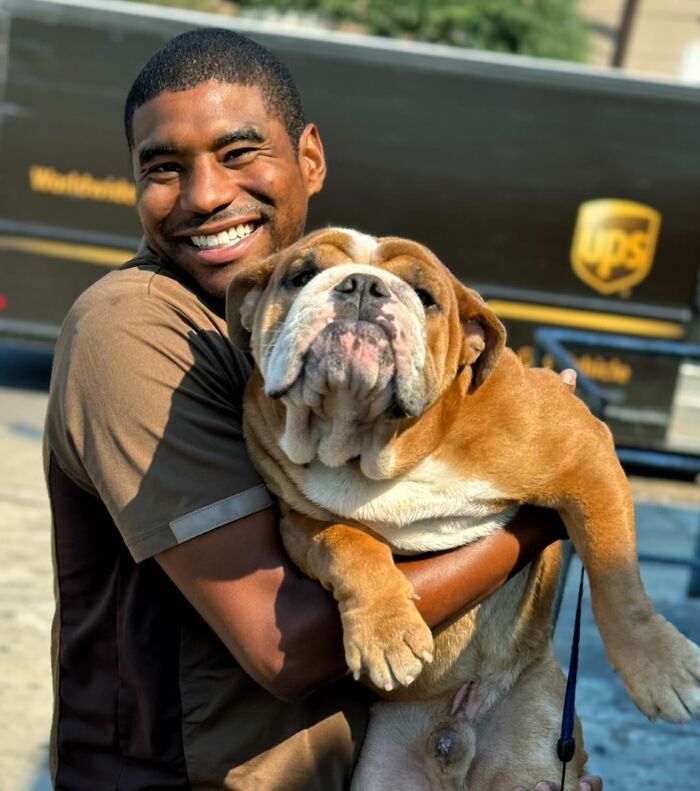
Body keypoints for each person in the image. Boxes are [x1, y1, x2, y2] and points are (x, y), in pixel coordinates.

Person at [44, 27, 602, 790]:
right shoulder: (134, 328)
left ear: (309, 156)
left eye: (239, 153)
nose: (205, 195)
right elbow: (288, 646)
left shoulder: (306, 317)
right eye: (163, 168)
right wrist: (535, 512)